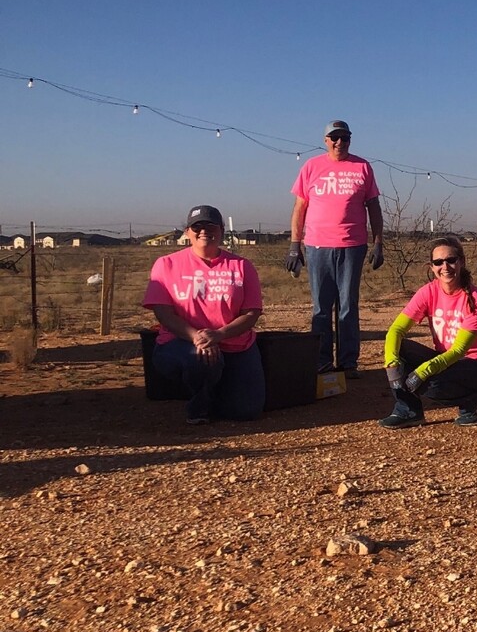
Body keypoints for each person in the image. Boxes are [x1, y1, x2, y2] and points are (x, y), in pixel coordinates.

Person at [142, 205, 264, 423]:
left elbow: (251, 313)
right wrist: (197, 337)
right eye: (197, 227)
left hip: (235, 344)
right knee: (200, 360)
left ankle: (215, 390)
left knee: (245, 411)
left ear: (222, 230)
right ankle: (198, 407)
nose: (204, 231)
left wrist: (220, 334)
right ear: (187, 232)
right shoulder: (166, 264)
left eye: (211, 226)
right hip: (182, 342)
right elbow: (163, 313)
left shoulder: (242, 266)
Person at [286, 120, 384, 376]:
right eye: (335, 137)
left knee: (348, 305)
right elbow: (300, 208)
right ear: (326, 140)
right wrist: (295, 245)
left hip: (352, 245)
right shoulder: (311, 166)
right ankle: (321, 361)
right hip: (318, 246)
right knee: (321, 306)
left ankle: (348, 362)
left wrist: (378, 242)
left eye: (345, 138)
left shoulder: (362, 167)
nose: (340, 142)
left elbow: (374, 206)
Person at [379, 238, 477, 429]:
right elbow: (396, 330)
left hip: (476, 364)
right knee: (399, 349)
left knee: (431, 385)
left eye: (451, 260)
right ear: (432, 267)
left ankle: (473, 400)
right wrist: (392, 362)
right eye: (438, 262)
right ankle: (408, 410)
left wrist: (423, 371)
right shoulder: (428, 292)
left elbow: (459, 350)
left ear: (461, 262)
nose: (445, 267)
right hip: (445, 359)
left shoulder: (475, 299)